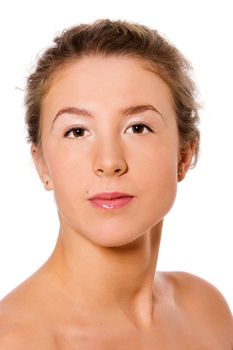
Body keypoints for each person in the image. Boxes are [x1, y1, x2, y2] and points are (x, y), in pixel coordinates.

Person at [0, 19, 232, 349]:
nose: (109, 162)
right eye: (77, 131)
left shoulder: (207, 310)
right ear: (42, 164)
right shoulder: (17, 341)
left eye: (137, 128)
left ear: (184, 154)